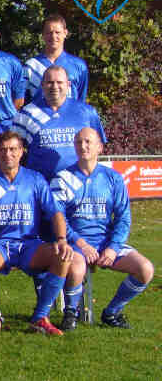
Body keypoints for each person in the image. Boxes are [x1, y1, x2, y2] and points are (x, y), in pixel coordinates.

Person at [0, 131, 73, 337]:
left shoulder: (35, 179)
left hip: (28, 245)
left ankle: (40, 317)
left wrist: (61, 240)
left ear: (22, 151)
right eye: (3, 150)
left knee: (63, 256)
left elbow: (56, 213)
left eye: (13, 149)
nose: (8, 154)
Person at [51, 128, 154, 330]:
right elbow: (58, 218)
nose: (83, 146)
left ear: (100, 147)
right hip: (75, 243)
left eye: (88, 142)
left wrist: (113, 247)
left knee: (145, 269)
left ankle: (112, 313)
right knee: (77, 267)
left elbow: (123, 217)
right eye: (78, 142)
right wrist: (81, 243)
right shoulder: (62, 178)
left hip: (105, 243)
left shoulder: (113, 178)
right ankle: (71, 313)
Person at [12, 65, 105, 181]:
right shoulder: (26, 114)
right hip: (41, 185)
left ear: (68, 85)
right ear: (42, 85)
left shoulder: (87, 112)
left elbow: (99, 147)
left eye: (59, 82)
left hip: (79, 184)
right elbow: (13, 151)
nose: (55, 86)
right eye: (50, 82)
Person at [24, 14, 88, 103]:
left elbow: (81, 102)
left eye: (57, 32)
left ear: (65, 33)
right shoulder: (31, 66)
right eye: (49, 32)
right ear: (43, 35)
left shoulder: (79, 66)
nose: (53, 36)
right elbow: (23, 102)